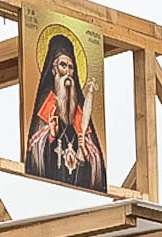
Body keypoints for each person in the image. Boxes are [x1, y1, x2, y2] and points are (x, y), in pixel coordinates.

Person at [24, 32, 106, 191]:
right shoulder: (47, 104)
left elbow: (95, 160)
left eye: (71, 67)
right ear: (54, 69)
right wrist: (51, 135)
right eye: (63, 65)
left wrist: (85, 152)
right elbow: (34, 151)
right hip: (48, 189)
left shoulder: (80, 111)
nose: (68, 72)